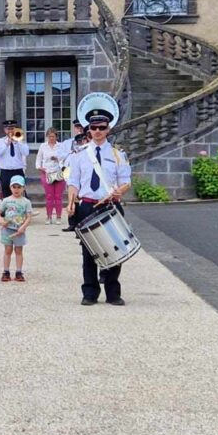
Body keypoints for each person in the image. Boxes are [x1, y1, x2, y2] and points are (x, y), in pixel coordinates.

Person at [66, 108, 132, 306]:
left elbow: (126, 181)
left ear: (108, 129)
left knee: (115, 250)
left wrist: (120, 191)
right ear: (89, 130)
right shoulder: (79, 155)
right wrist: (70, 202)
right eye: (93, 127)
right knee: (88, 252)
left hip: (110, 206)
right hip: (87, 205)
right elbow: (74, 182)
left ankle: (113, 293)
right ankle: (90, 293)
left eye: (101, 128)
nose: (97, 131)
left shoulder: (117, 155)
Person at [0, 175, 34, 283]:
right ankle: (6, 271)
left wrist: (23, 227)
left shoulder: (26, 202)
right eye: (14, 187)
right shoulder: (6, 200)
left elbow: (29, 217)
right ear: (10, 187)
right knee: (7, 250)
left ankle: (19, 272)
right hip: (7, 229)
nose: (16, 189)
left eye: (19, 187)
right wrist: (1, 221)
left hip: (19, 231)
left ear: (23, 188)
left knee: (19, 251)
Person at [0, 119, 30, 203]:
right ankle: (7, 214)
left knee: (20, 193)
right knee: (6, 194)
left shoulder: (20, 140)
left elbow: (26, 152)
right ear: (4, 130)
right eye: (8, 129)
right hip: (5, 171)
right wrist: (6, 144)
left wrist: (18, 142)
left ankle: (20, 213)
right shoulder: (0, 141)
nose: (10, 130)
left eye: (12, 128)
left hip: (18, 170)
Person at [36, 127, 66, 225]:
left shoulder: (61, 146)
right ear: (47, 137)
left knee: (58, 196)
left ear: (56, 137)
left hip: (58, 172)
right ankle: (48, 216)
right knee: (49, 196)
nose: (51, 138)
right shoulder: (43, 146)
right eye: (49, 137)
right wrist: (39, 167)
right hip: (47, 172)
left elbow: (66, 159)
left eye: (53, 137)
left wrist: (58, 159)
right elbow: (38, 158)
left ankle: (58, 217)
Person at [59, 123, 86, 233]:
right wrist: (71, 152)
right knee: (72, 198)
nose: (79, 130)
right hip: (70, 171)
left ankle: (80, 224)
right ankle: (72, 223)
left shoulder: (88, 145)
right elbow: (60, 155)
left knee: (81, 200)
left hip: (82, 175)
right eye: (77, 128)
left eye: (81, 128)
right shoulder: (67, 143)